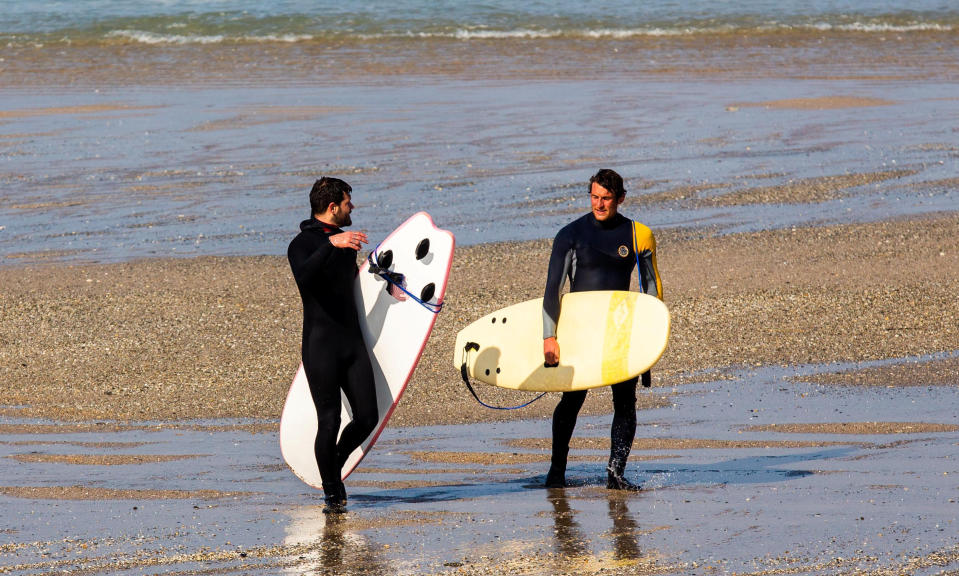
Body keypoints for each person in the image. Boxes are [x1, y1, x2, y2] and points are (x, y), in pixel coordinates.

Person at [542, 168, 663, 490]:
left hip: (619, 329)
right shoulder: (570, 234)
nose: (599, 204)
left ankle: (615, 474)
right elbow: (553, 289)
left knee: (625, 401)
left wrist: (651, 339)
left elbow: (651, 291)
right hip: (579, 330)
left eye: (606, 198)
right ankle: (556, 473)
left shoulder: (639, 234)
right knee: (572, 400)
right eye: (595, 197)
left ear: (620, 199)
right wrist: (549, 337)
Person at [288, 177, 378, 513]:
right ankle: (333, 495)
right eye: (347, 202)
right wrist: (332, 245)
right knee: (330, 420)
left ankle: (333, 467)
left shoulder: (345, 242)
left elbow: (351, 286)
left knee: (368, 416)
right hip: (320, 345)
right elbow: (305, 278)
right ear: (332, 207)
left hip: (351, 343)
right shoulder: (302, 244)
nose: (351, 207)